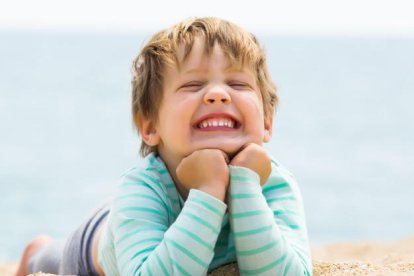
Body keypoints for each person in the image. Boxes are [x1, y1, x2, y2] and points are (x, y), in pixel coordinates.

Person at [16, 17, 312, 275]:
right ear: (150, 126)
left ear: (267, 123)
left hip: (141, 218)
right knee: (48, 258)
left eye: (238, 84)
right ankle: (36, 250)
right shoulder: (140, 187)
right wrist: (208, 192)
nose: (218, 94)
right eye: (192, 85)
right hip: (98, 246)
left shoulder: (274, 183)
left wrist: (245, 185)